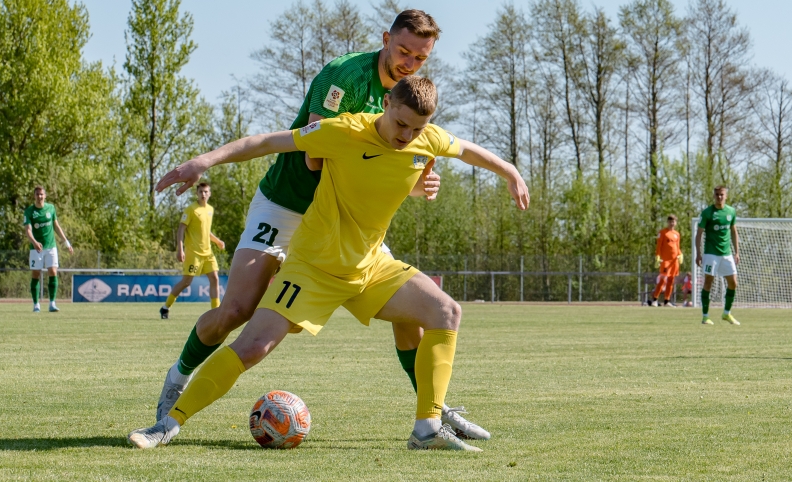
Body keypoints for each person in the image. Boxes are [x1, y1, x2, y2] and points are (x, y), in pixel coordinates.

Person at [127, 76, 530, 451]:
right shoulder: (345, 130)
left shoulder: (428, 139)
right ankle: (167, 425)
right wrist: (205, 161)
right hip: (313, 267)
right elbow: (267, 142)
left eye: (417, 129)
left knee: (445, 310)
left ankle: (426, 429)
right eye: (400, 124)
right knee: (252, 346)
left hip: (370, 267)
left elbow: (466, 150)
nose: (406, 137)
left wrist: (509, 170)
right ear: (386, 103)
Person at [160, 182, 226, 319]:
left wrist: (217, 241)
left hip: (208, 252)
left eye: (206, 192)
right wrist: (180, 249)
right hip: (193, 253)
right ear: (197, 193)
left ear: (210, 194)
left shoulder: (210, 210)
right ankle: (165, 307)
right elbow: (181, 229)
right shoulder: (191, 210)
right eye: (201, 191)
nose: (203, 194)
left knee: (215, 278)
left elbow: (206, 231)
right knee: (186, 282)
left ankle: (216, 313)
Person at [23, 186, 74, 313]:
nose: (39, 197)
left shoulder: (51, 208)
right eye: (37, 194)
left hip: (51, 246)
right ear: (34, 196)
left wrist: (66, 242)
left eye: (41, 194)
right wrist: (34, 242)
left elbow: (56, 226)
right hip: (36, 248)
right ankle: (36, 304)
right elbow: (28, 230)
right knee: (36, 274)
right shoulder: (29, 211)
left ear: (45, 196)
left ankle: (52, 303)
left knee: (53, 271)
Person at [695, 186, 740, 325]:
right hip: (711, 253)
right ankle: (705, 316)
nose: (719, 197)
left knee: (733, 282)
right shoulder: (707, 212)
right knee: (708, 282)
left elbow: (733, 231)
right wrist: (698, 253)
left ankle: (726, 313)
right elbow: (699, 234)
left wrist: (737, 251)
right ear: (714, 196)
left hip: (726, 254)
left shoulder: (731, 211)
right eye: (717, 195)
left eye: (721, 195)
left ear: (726, 196)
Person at [648, 215, 683, 306]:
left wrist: (680, 254)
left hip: (674, 261)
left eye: (673, 222)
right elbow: (659, 246)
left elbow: (677, 247)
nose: (672, 223)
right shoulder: (663, 232)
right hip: (666, 261)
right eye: (670, 221)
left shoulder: (677, 234)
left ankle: (667, 301)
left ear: (675, 223)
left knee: (671, 280)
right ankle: (655, 300)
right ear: (667, 222)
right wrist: (658, 256)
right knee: (663, 279)